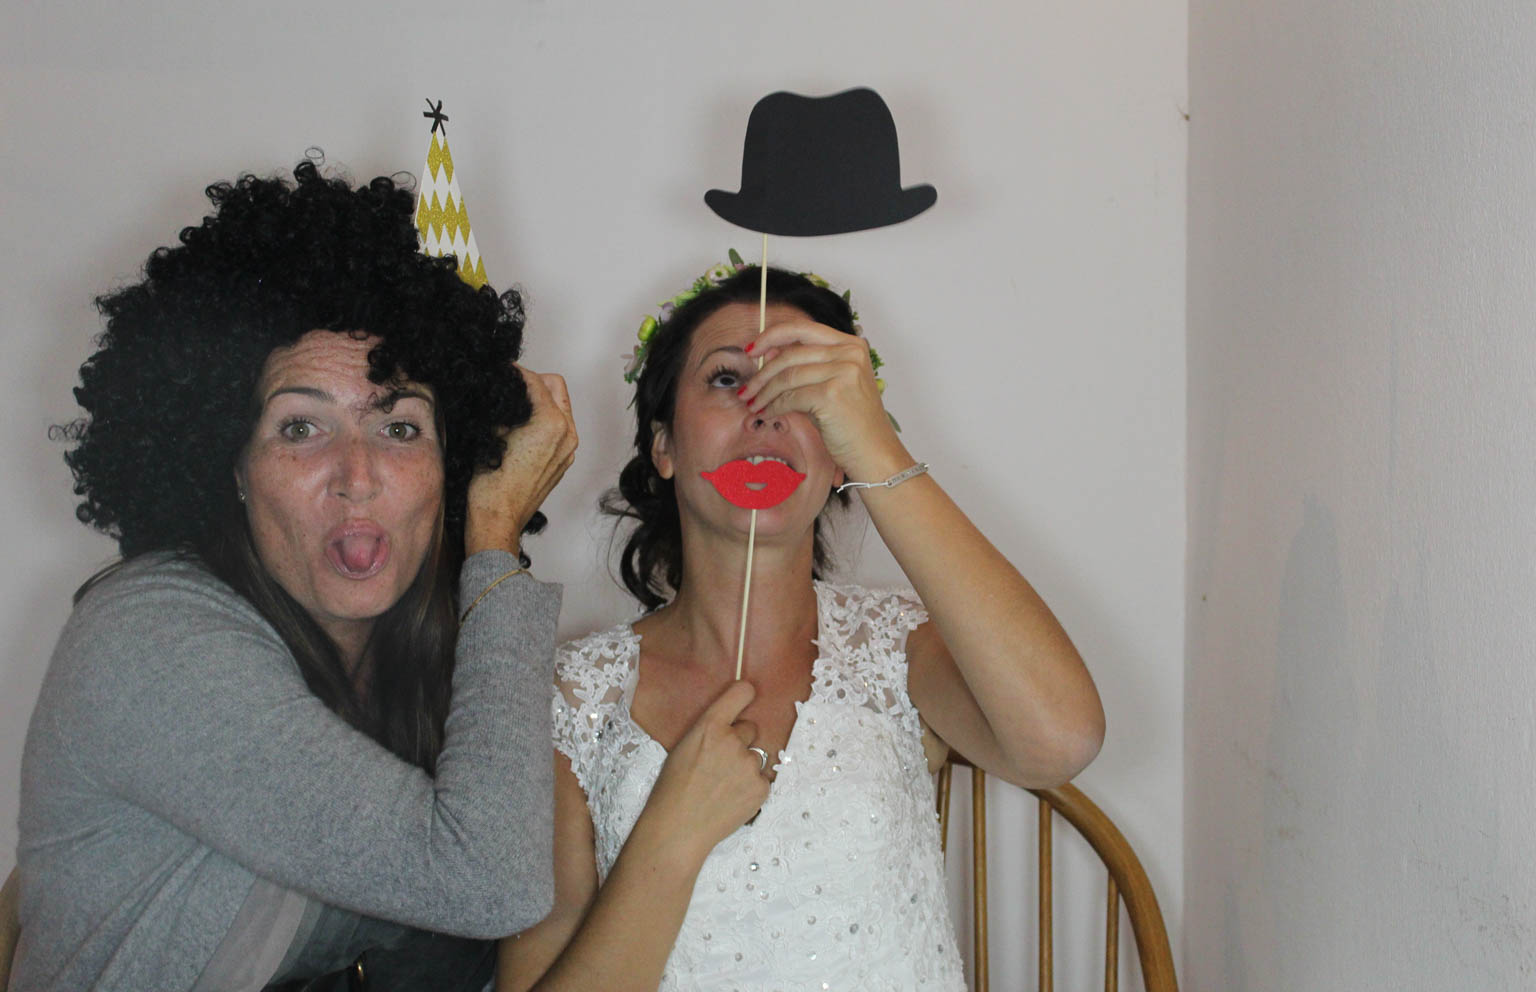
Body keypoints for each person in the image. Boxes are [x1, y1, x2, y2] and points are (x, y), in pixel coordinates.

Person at [11, 159, 578, 992]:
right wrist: (495, 542)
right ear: (232, 466)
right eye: (301, 427)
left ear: (453, 468)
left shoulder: (427, 667)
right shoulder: (150, 638)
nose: (357, 475)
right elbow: (490, 882)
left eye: (399, 427)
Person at [498, 262, 1104, 990]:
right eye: (727, 378)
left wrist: (877, 447)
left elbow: (1061, 742)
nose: (765, 410)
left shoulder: (900, 648)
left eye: (802, 388)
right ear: (664, 446)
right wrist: (670, 839)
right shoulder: (573, 697)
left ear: (840, 451)